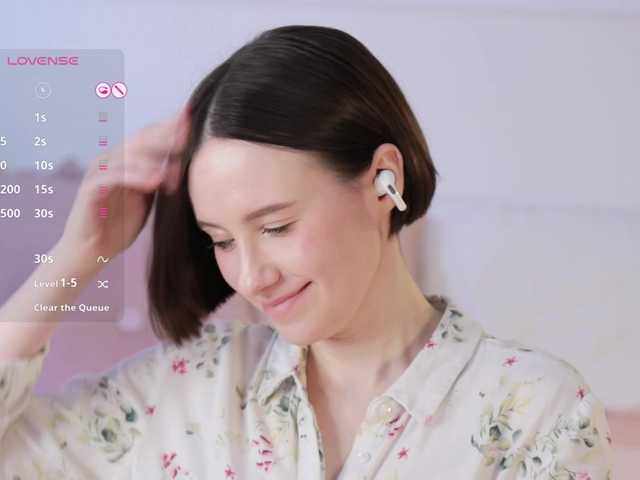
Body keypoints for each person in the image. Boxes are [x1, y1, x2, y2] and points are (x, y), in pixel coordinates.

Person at [0, 25, 613, 479]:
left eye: (276, 226)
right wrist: (77, 257)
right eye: (220, 241)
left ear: (383, 180)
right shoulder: (188, 388)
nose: (250, 277)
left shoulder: (535, 411)